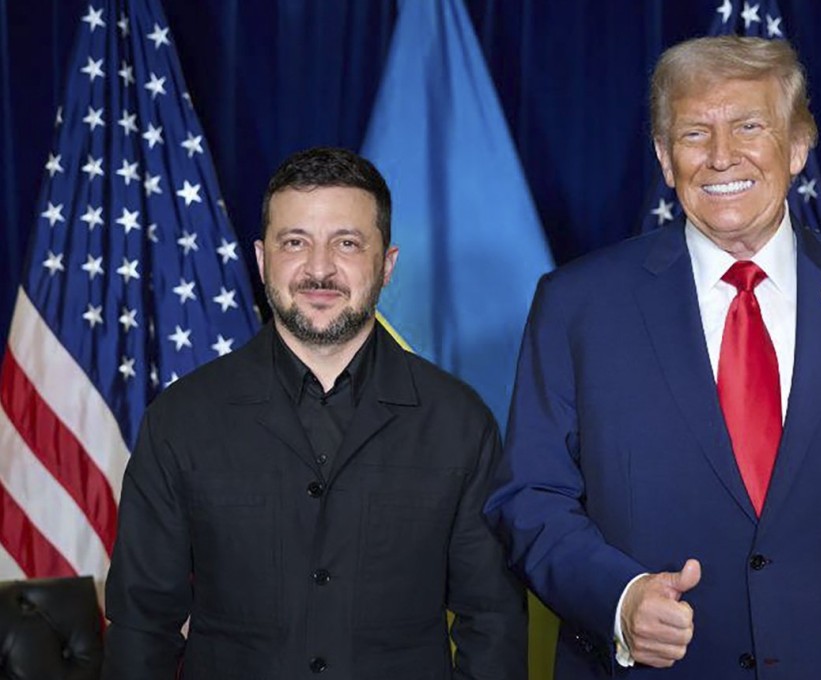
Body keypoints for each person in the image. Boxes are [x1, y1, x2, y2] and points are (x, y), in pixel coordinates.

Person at [484, 36, 821, 679]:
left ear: (797, 146)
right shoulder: (576, 306)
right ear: (663, 157)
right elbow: (529, 498)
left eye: (749, 126)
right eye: (692, 134)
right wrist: (620, 599)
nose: (720, 157)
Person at [103, 147, 527, 679]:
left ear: (387, 264)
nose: (320, 269)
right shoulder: (180, 420)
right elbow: (143, 625)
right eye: (295, 243)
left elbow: (491, 622)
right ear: (261, 260)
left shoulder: (460, 423)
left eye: (346, 243)